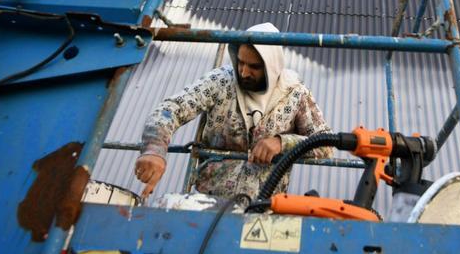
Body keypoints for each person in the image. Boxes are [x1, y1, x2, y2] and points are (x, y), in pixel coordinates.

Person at [134, 22, 332, 199]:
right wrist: (154, 150)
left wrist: (282, 143)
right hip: (209, 201)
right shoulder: (221, 81)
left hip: (263, 207)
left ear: (272, 66)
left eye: (254, 66)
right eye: (241, 62)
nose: (244, 72)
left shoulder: (295, 92)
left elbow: (325, 144)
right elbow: (171, 109)